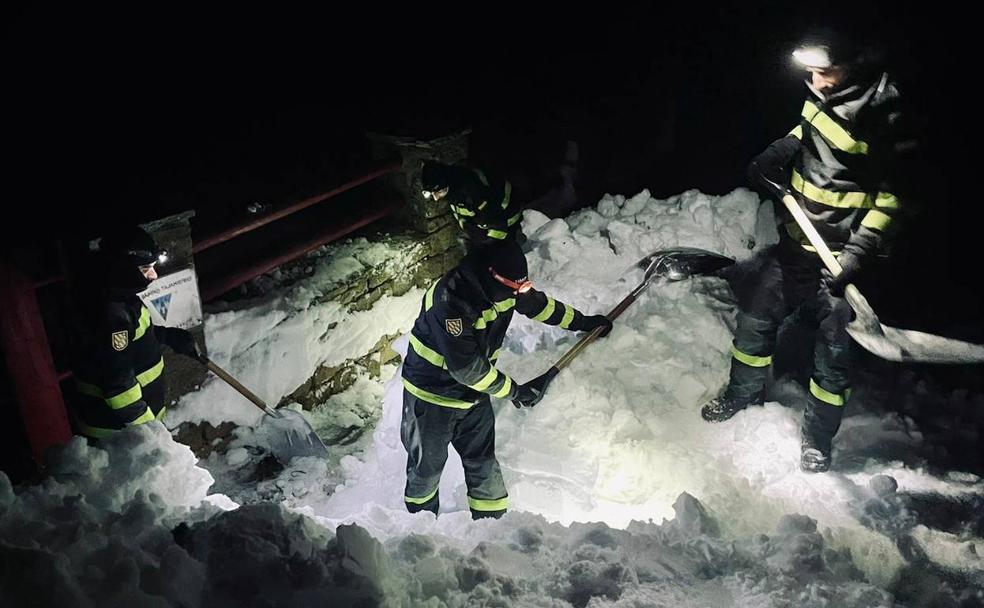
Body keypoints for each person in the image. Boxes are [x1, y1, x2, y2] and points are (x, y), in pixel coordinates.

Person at [701, 28, 909, 473]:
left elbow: (893, 200)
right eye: (810, 70)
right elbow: (810, 128)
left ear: (858, 65)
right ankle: (741, 395)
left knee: (832, 358)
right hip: (796, 243)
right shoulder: (823, 92)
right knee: (755, 321)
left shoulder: (887, 117)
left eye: (825, 70)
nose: (815, 79)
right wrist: (779, 151)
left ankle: (817, 440)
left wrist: (857, 255)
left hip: (840, 262)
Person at [400, 239, 612, 518]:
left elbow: (539, 306)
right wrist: (515, 391)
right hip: (431, 398)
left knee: (484, 464)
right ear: (491, 277)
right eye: (517, 289)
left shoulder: (507, 287)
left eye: (523, 287)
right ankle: (419, 530)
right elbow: (467, 369)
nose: (521, 294)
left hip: (473, 396)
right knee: (427, 470)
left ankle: (492, 527)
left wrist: (584, 323)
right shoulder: (449, 302)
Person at [69, 226, 201, 439]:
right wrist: (151, 433)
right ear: (123, 269)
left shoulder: (119, 296)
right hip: (119, 435)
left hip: (138, 423)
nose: (153, 275)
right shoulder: (110, 318)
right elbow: (119, 388)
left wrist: (168, 337)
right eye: (146, 268)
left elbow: (134, 338)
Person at [420, 161, 523, 247]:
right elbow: (461, 214)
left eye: (439, 192)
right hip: (488, 216)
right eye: (430, 194)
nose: (436, 198)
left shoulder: (472, 190)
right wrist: (467, 225)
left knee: (504, 255)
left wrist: (489, 248)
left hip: (508, 214)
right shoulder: (452, 189)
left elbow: (499, 225)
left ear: (447, 185)